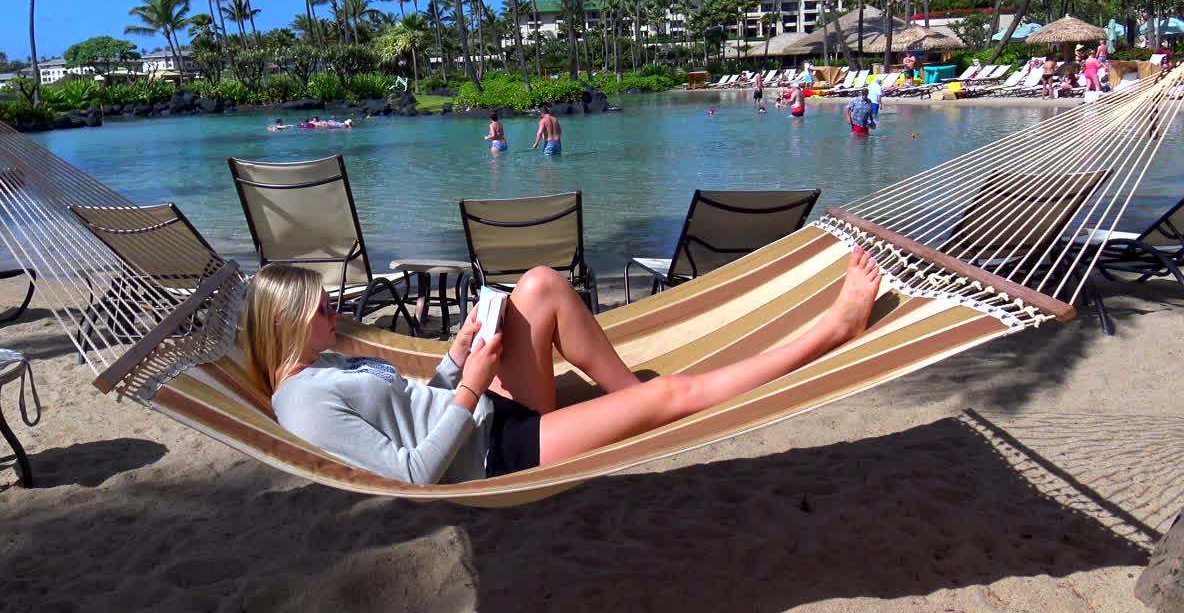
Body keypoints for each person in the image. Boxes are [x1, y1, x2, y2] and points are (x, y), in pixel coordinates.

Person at [242, 251, 883, 484]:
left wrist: (459, 353)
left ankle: (626, 398)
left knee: (542, 284)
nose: (335, 307)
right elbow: (415, 470)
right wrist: (470, 385)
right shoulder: (301, 402)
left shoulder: (324, 361)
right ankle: (832, 328)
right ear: (282, 323)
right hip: (493, 450)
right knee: (678, 392)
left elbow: (417, 407)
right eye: (319, 304)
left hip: (482, 410)